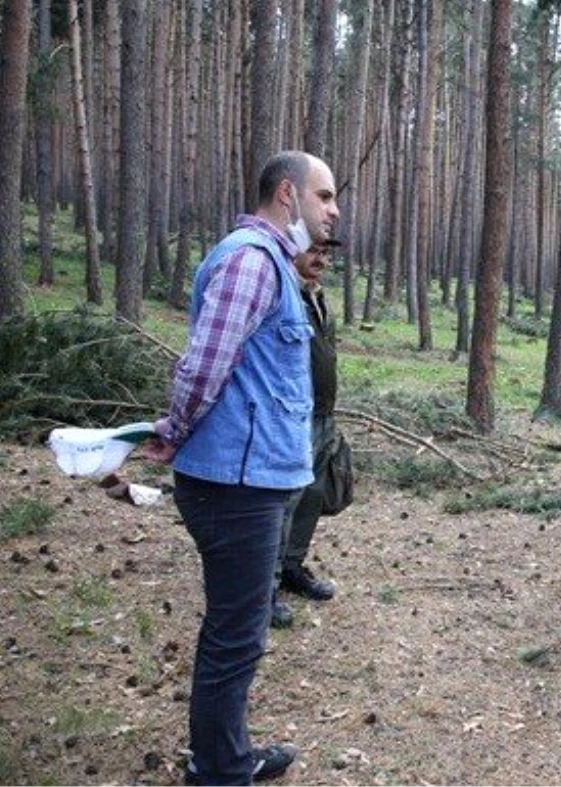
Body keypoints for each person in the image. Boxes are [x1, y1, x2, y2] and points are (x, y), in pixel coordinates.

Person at [144, 150, 339, 785]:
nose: (334, 211)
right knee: (237, 635)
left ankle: (224, 755)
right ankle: (220, 771)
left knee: (241, 628)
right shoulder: (251, 262)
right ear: (289, 196)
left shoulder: (274, 267)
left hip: (252, 475)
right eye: (325, 196)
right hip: (235, 482)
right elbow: (205, 363)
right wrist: (172, 433)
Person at [270, 238, 342, 629]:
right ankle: (264, 588)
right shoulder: (282, 293)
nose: (322, 260)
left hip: (322, 415)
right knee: (284, 500)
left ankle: (292, 567)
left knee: (311, 496)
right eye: (314, 251)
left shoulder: (317, 296)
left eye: (327, 254)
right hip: (293, 416)